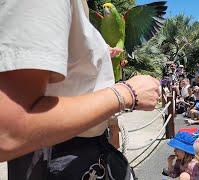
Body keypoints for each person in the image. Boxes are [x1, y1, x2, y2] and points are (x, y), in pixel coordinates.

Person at [0, 1, 160, 179]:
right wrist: (125, 94)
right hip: (59, 159)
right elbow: (7, 132)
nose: (105, 9)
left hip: (87, 153)